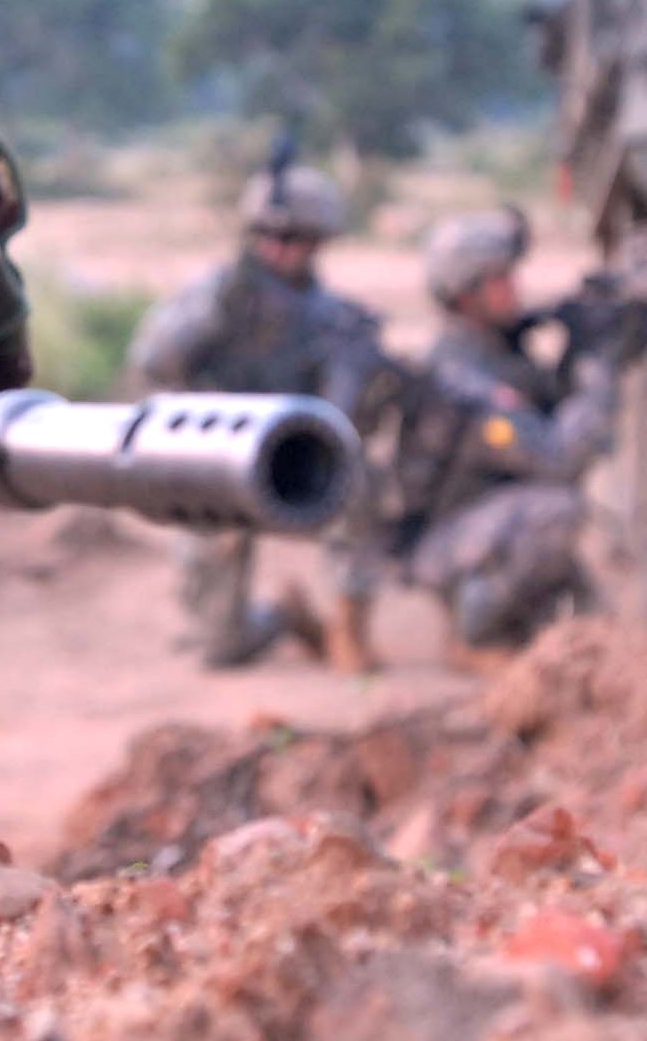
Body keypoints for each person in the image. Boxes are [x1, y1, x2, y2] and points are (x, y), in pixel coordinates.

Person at [128, 152, 385, 671]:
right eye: (267, 235)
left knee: (357, 477)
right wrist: (213, 318)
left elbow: (344, 415)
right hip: (218, 459)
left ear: (317, 243)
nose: (277, 248)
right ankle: (283, 617)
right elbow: (152, 364)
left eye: (293, 238)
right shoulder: (217, 296)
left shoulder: (334, 319)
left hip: (294, 453)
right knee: (220, 650)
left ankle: (348, 626)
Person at [397, 209, 615, 664]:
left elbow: (549, 409)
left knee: (595, 615)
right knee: (557, 511)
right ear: (465, 293)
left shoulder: (500, 353)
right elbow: (555, 457)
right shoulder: (459, 375)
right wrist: (600, 373)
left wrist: (577, 345)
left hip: (488, 525)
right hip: (447, 539)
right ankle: (473, 637)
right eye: (498, 279)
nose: (514, 288)